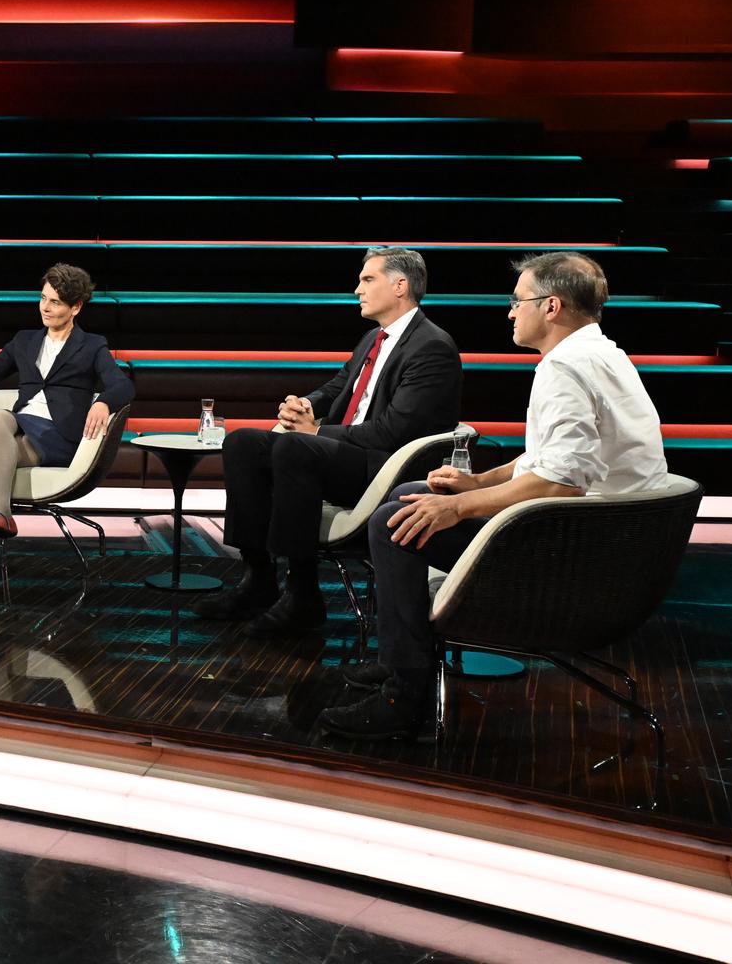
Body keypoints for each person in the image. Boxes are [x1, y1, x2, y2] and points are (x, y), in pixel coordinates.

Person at [321, 251, 669, 739]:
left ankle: (405, 695)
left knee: (394, 523)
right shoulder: (603, 354)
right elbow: (547, 459)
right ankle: (400, 654)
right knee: (411, 496)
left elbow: (562, 482)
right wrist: (478, 483)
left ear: (551, 306)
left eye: (518, 301)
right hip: (607, 537)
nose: (510, 312)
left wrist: (457, 507)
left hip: (581, 550)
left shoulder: (565, 368)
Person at [204, 247, 463, 634]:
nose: (358, 289)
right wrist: (304, 404)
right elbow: (338, 387)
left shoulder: (431, 347)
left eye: (368, 279)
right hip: (345, 455)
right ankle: (257, 578)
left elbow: (394, 431)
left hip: (384, 467)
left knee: (295, 447)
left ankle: (302, 594)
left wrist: (315, 432)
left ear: (400, 286)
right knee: (242, 444)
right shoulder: (374, 338)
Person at [0, 264, 134, 584]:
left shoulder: (92, 345)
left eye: (55, 302)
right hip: (22, 425)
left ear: (76, 307)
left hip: (60, 436)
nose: (45, 307)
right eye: (43, 298)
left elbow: (123, 386)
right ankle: (0, 517)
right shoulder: (25, 340)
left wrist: (103, 402)